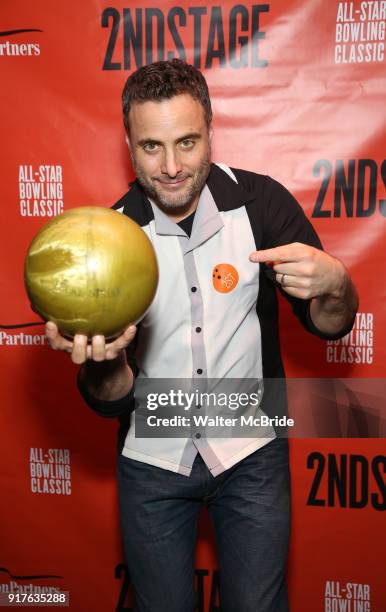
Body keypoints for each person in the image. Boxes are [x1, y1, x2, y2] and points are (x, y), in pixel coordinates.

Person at [46, 59, 358, 612]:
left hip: (252, 452)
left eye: (187, 142)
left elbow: (330, 324)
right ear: (128, 142)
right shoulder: (112, 239)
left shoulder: (261, 205)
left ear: (212, 130)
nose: (170, 166)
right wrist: (103, 364)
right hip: (153, 461)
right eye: (151, 147)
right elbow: (110, 400)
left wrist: (337, 286)